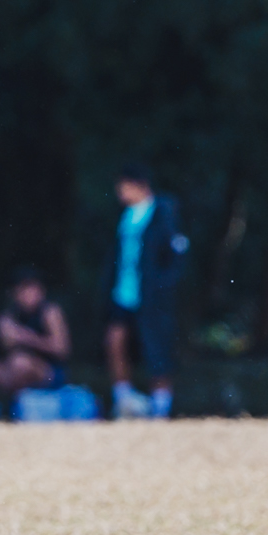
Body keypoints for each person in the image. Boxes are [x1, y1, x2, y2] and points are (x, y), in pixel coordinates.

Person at [100, 163, 187, 419]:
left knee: (156, 349)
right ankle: (124, 400)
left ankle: (161, 407)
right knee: (115, 340)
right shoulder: (125, 216)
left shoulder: (163, 211)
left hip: (153, 296)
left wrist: (163, 287)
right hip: (124, 293)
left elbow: (175, 256)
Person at [0, 266, 71, 419]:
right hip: (11, 370)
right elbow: (2, 351)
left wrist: (24, 336)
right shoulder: (10, 314)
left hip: (47, 372)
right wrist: (3, 336)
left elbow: (61, 348)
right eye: (23, 290)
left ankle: (14, 409)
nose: (29, 295)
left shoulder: (50, 312)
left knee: (20, 363)